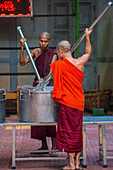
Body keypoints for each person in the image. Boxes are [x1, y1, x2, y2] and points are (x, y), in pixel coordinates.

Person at [50, 28, 92, 170]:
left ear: (60, 51)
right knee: (77, 132)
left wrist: (56, 57)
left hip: (67, 103)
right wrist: (87, 37)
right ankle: (78, 162)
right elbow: (88, 53)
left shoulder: (59, 64)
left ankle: (71, 164)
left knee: (67, 132)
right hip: (78, 103)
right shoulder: (80, 62)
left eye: (58, 52)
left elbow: (51, 73)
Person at [19, 32, 58, 152]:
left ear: (49, 42)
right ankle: (44, 145)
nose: (43, 43)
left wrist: (44, 79)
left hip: (48, 85)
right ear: (38, 40)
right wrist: (22, 47)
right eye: (41, 41)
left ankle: (54, 146)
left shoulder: (53, 54)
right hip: (37, 85)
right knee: (37, 115)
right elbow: (22, 63)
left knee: (49, 116)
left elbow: (52, 71)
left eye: (46, 41)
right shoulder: (35, 52)